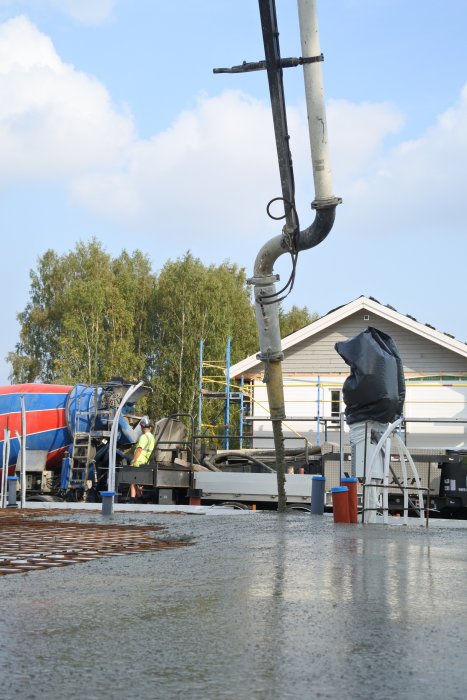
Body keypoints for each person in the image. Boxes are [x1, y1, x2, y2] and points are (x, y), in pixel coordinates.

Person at [129, 417, 155, 501]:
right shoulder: (152, 437)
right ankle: (140, 498)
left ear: (142, 427)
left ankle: (132, 499)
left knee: (132, 481)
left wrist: (133, 460)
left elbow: (139, 449)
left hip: (139, 461)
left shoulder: (143, 437)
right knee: (138, 482)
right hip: (145, 461)